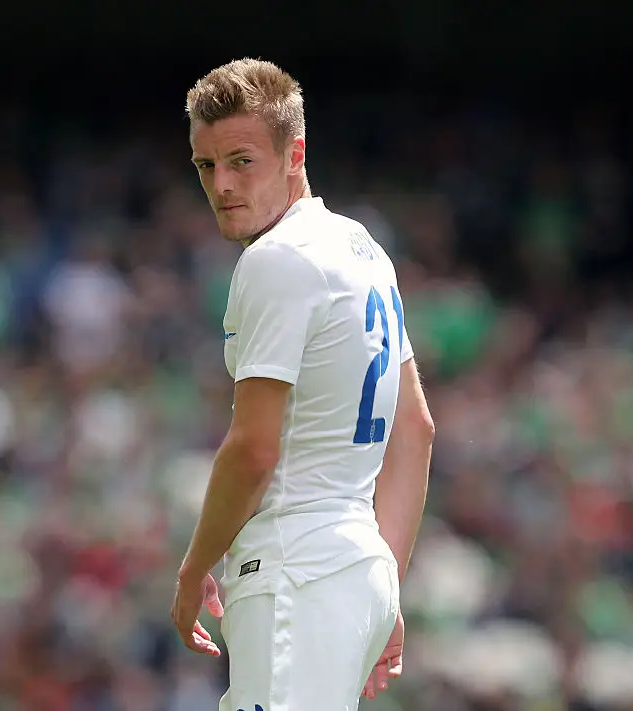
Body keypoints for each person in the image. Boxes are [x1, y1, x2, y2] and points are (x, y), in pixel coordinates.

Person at [170, 58, 435, 710]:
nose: (222, 184)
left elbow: (253, 449)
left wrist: (195, 566)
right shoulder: (361, 247)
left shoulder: (278, 259)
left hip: (296, 567)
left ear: (295, 154)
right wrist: (381, 579)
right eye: (206, 165)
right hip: (354, 566)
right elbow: (416, 429)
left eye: (242, 161)